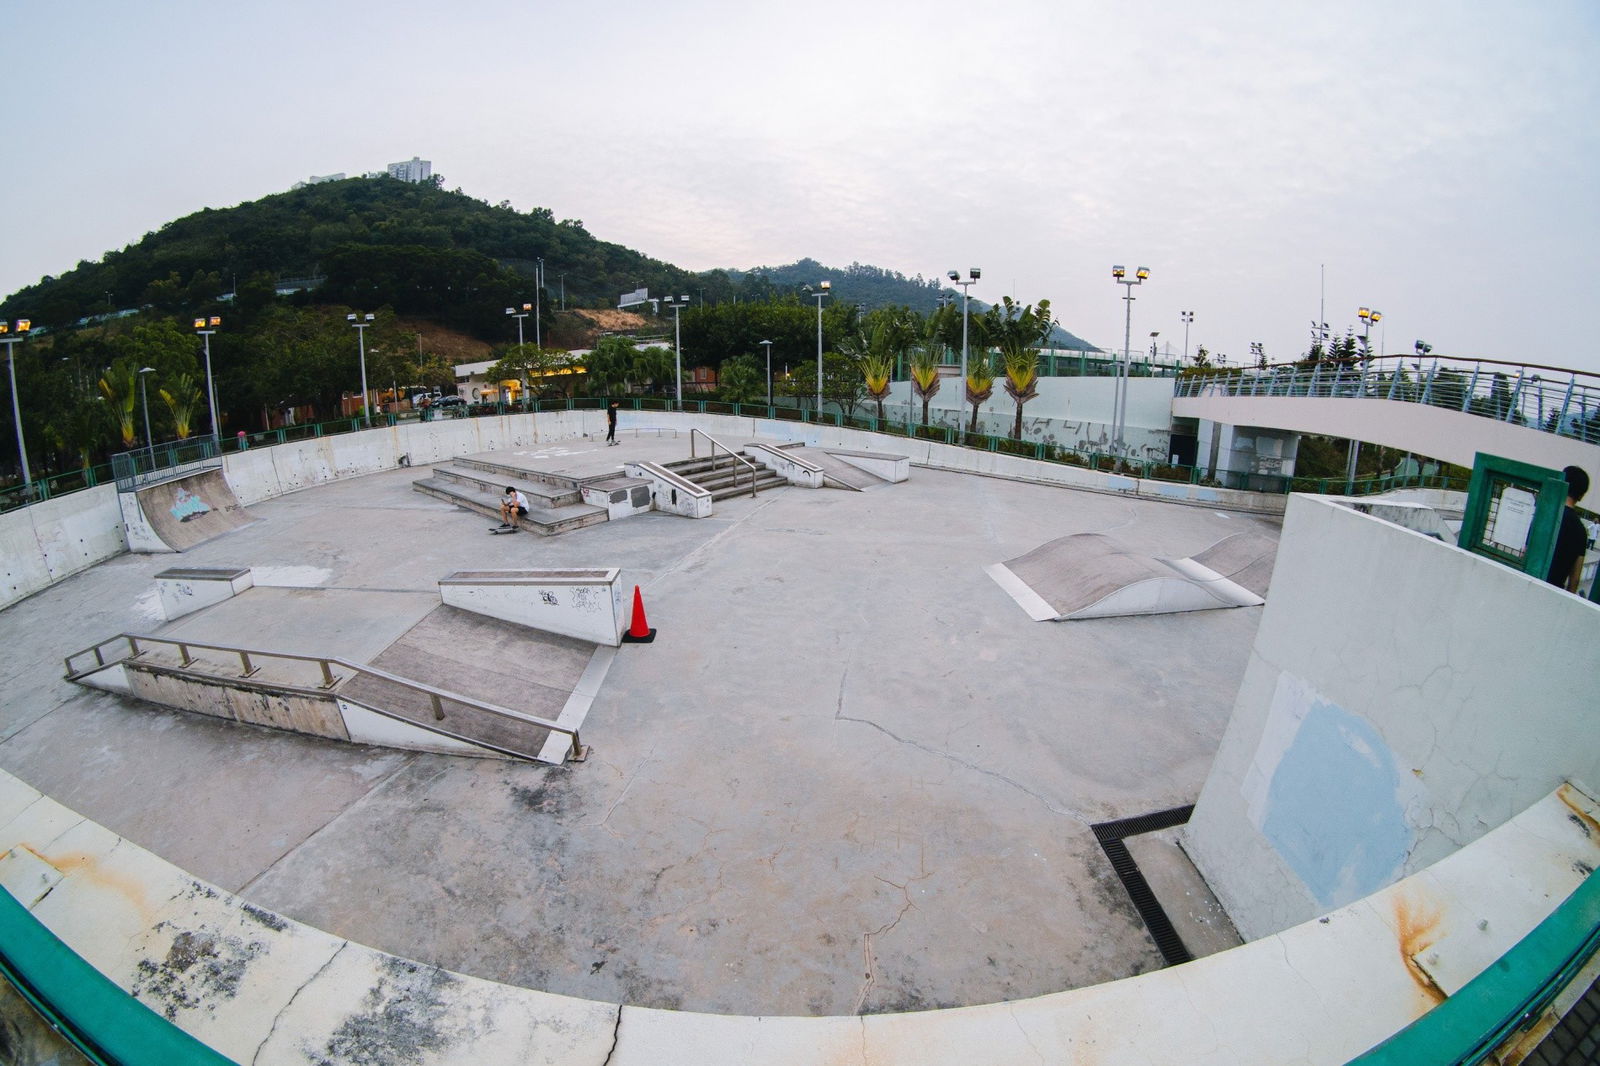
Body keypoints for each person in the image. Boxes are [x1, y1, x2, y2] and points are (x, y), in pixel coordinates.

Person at [1547, 465, 1591, 593]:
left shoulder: (1546, 517)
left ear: (1562, 484)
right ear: (1581, 496)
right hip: (1554, 592)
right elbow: (1575, 580)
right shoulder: (1581, 531)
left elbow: (1525, 552)